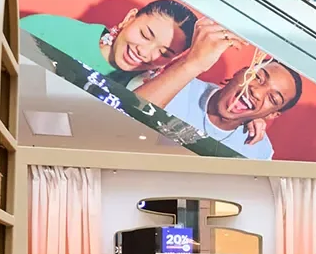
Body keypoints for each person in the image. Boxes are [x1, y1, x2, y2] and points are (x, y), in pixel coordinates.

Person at [128, 19, 304, 157]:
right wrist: (192, 63)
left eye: (273, 99)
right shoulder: (176, 83)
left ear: (272, 114)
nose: (257, 92)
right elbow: (122, 116)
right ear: (241, 72)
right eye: (257, 77)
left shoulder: (259, 151)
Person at [21, 0, 198, 88]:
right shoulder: (47, 29)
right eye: (145, 35)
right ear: (129, 19)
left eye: (164, 53)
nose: (145, 52)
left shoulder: (145, 92)